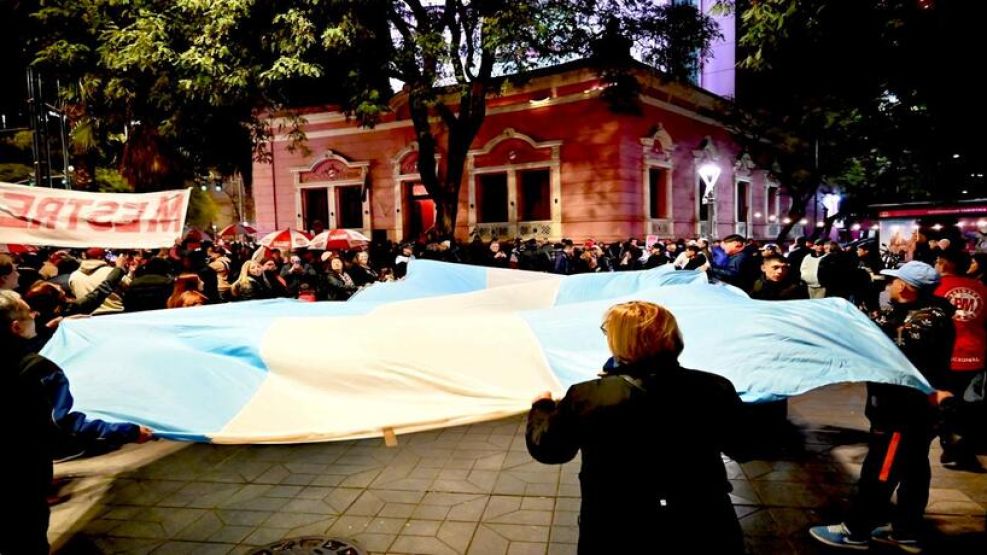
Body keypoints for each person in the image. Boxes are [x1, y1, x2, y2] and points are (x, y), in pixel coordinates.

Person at [526, 301, 747, 554]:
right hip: (703, 521)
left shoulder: (587, 396)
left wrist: (542, 407)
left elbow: (550, 450)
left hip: (616, 525)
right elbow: (744, 446)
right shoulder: (715, 388)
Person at [810, 261, 955, 552]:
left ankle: (856, 530)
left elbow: (891, 340)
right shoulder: (911, 313)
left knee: (881, 471)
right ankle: (906, 529)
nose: (889, 286)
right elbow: (875, 321)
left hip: (902, 413)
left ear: (907, 287)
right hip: (907, 411)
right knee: (914, 469)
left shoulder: (929, 320)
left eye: (894, 281)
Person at [0, 290, 152, 554]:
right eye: (29, 314)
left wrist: (50, 331)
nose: (35, 316)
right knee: (26, 540)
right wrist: (127, 431)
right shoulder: (37, 369)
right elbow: (64, 425)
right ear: (15, 327)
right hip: (20, 472)